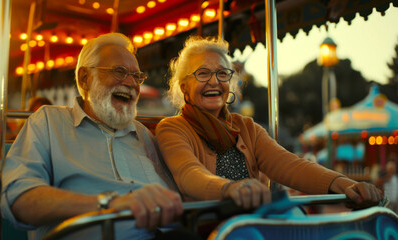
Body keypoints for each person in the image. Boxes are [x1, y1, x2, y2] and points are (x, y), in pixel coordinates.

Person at [156, 36, 382, 210]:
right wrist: (230, 189)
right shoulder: (173, 128)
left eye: (222, 74)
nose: (214, 81)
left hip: (253, 225)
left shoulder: (246, 128)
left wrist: (345, 184)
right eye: (202, 74)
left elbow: (289, 164)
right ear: (184, 86)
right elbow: (189, 174)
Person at [1, 33, 185, 240]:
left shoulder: (144, 134)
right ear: (85, 78)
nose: (132, 83)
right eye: (119, 71)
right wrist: (109, 204)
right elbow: (19, 200)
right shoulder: (48, 121)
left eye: (137, 76)